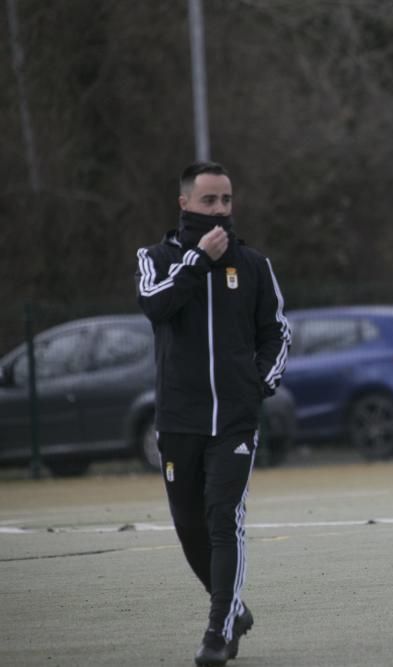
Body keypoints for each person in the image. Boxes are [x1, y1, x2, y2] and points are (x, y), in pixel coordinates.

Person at [135, 161, 291, 665]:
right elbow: (156, 305)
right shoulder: (155, 258)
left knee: (224, 519)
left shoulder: (252, 265)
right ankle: (235, 610)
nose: (220, 210)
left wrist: (259, 383)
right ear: (185, 204)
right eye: (209, 201)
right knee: (189, 526)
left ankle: (217, 634)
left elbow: (278, 332)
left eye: (226, 200)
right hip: (179, 420)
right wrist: (198, 260)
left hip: (235, 422)